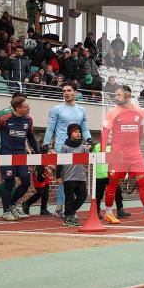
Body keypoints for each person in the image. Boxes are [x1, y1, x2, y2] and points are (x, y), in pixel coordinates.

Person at [102, 85, 144, 222]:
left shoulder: (140, 112)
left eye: (118, 95)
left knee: (143, 181)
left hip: (135, 154)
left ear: (127, 95)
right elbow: (105, 133)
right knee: (113, 183)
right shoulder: (112, 112)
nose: (116, 98)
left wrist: (136, 147)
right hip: (117, 155)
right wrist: (103, 152)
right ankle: (109, 213)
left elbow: (141, 132)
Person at [0, 94, 39, 221]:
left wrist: (37, 153)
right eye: (26, 106)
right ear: (18, 108)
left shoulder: (28, 120)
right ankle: (6, 212)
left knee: (26, 182)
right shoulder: (3, 119)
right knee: (9, 183)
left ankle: (12, 204)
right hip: (7, 155)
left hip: (21, 156)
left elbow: (31, 137)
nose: (29, 108)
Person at [42, 82, 91, 218]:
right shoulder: (56, 109)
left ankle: (67, 209)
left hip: (77, 148)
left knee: (73, 180)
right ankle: (60, 209)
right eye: (64, 91)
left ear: (75, 92)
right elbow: (50, 129)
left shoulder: (82, 110)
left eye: (69, 90)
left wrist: (89, 140)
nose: (66, 93)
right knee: (65, 179)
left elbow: (85, 129)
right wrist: (46, 144)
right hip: (61, 148)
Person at [59, 123, 90, 227]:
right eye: (76, 131)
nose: (78, 133)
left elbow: (87, 159)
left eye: (79, 132)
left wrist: (89, 147)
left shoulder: (82, 147)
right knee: (69, 199)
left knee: (83, 196)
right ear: (70, 133)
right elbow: (59, 162)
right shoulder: (64, 147)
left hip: (81, 176)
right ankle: (68, 217)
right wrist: (58, 176)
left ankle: (70, 213)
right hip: (68, 177)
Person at [93, 140, 128, 222]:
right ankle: (97, 211)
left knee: (118, 192)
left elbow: (120, 159)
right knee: (98, 195)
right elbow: (92, 158)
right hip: (99, 175)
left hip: (112, 174)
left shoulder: (116, 147)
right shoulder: (97, 146)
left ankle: (120, 210)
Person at [22, 148, 53, 216]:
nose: (50, 146)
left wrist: (50, 167)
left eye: (51, 145)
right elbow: (32, 167)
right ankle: (27, 204)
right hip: (38, 176)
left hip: (45, 176)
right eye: (49, 144)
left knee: (46, 193)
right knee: (40, 192)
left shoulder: (50, 154)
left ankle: (43, 209)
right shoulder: (37, 154)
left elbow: (52, 166)